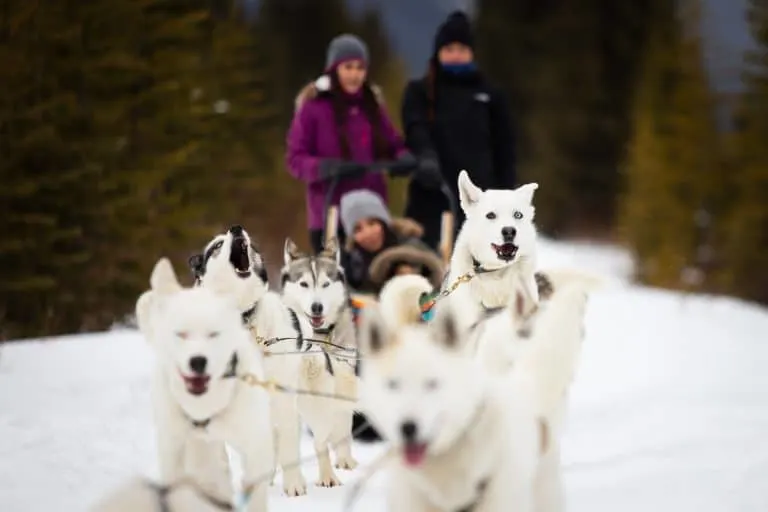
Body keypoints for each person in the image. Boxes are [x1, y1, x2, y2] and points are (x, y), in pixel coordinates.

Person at [286, 34, 417, 254]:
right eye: (348, 67)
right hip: (331, 215)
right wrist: (325, 168)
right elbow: (295, 159)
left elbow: (392, 143)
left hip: (372, 219)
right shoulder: (313, 107)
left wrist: (403, 157)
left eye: (360, 68)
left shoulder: (371, 105)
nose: (355, 74)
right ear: (334, 69)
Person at [401, 11, 517, 250]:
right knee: (427, 263)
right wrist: (425, 155)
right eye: (449, 49)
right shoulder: (420, 91)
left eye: (462, 49)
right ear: (438, 52)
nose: (455, 55)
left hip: (482, 199)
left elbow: (505, 148)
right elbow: (414, 126)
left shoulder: (491, 95)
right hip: (432, 193)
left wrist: (507, 196)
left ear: (471, 53)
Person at [339, 190, 444, 296]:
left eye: (372, 223)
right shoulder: (352, 266)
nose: (368, 233)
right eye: (358, 229)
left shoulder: (411, 247)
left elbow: (436, 276)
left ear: (383, 223)